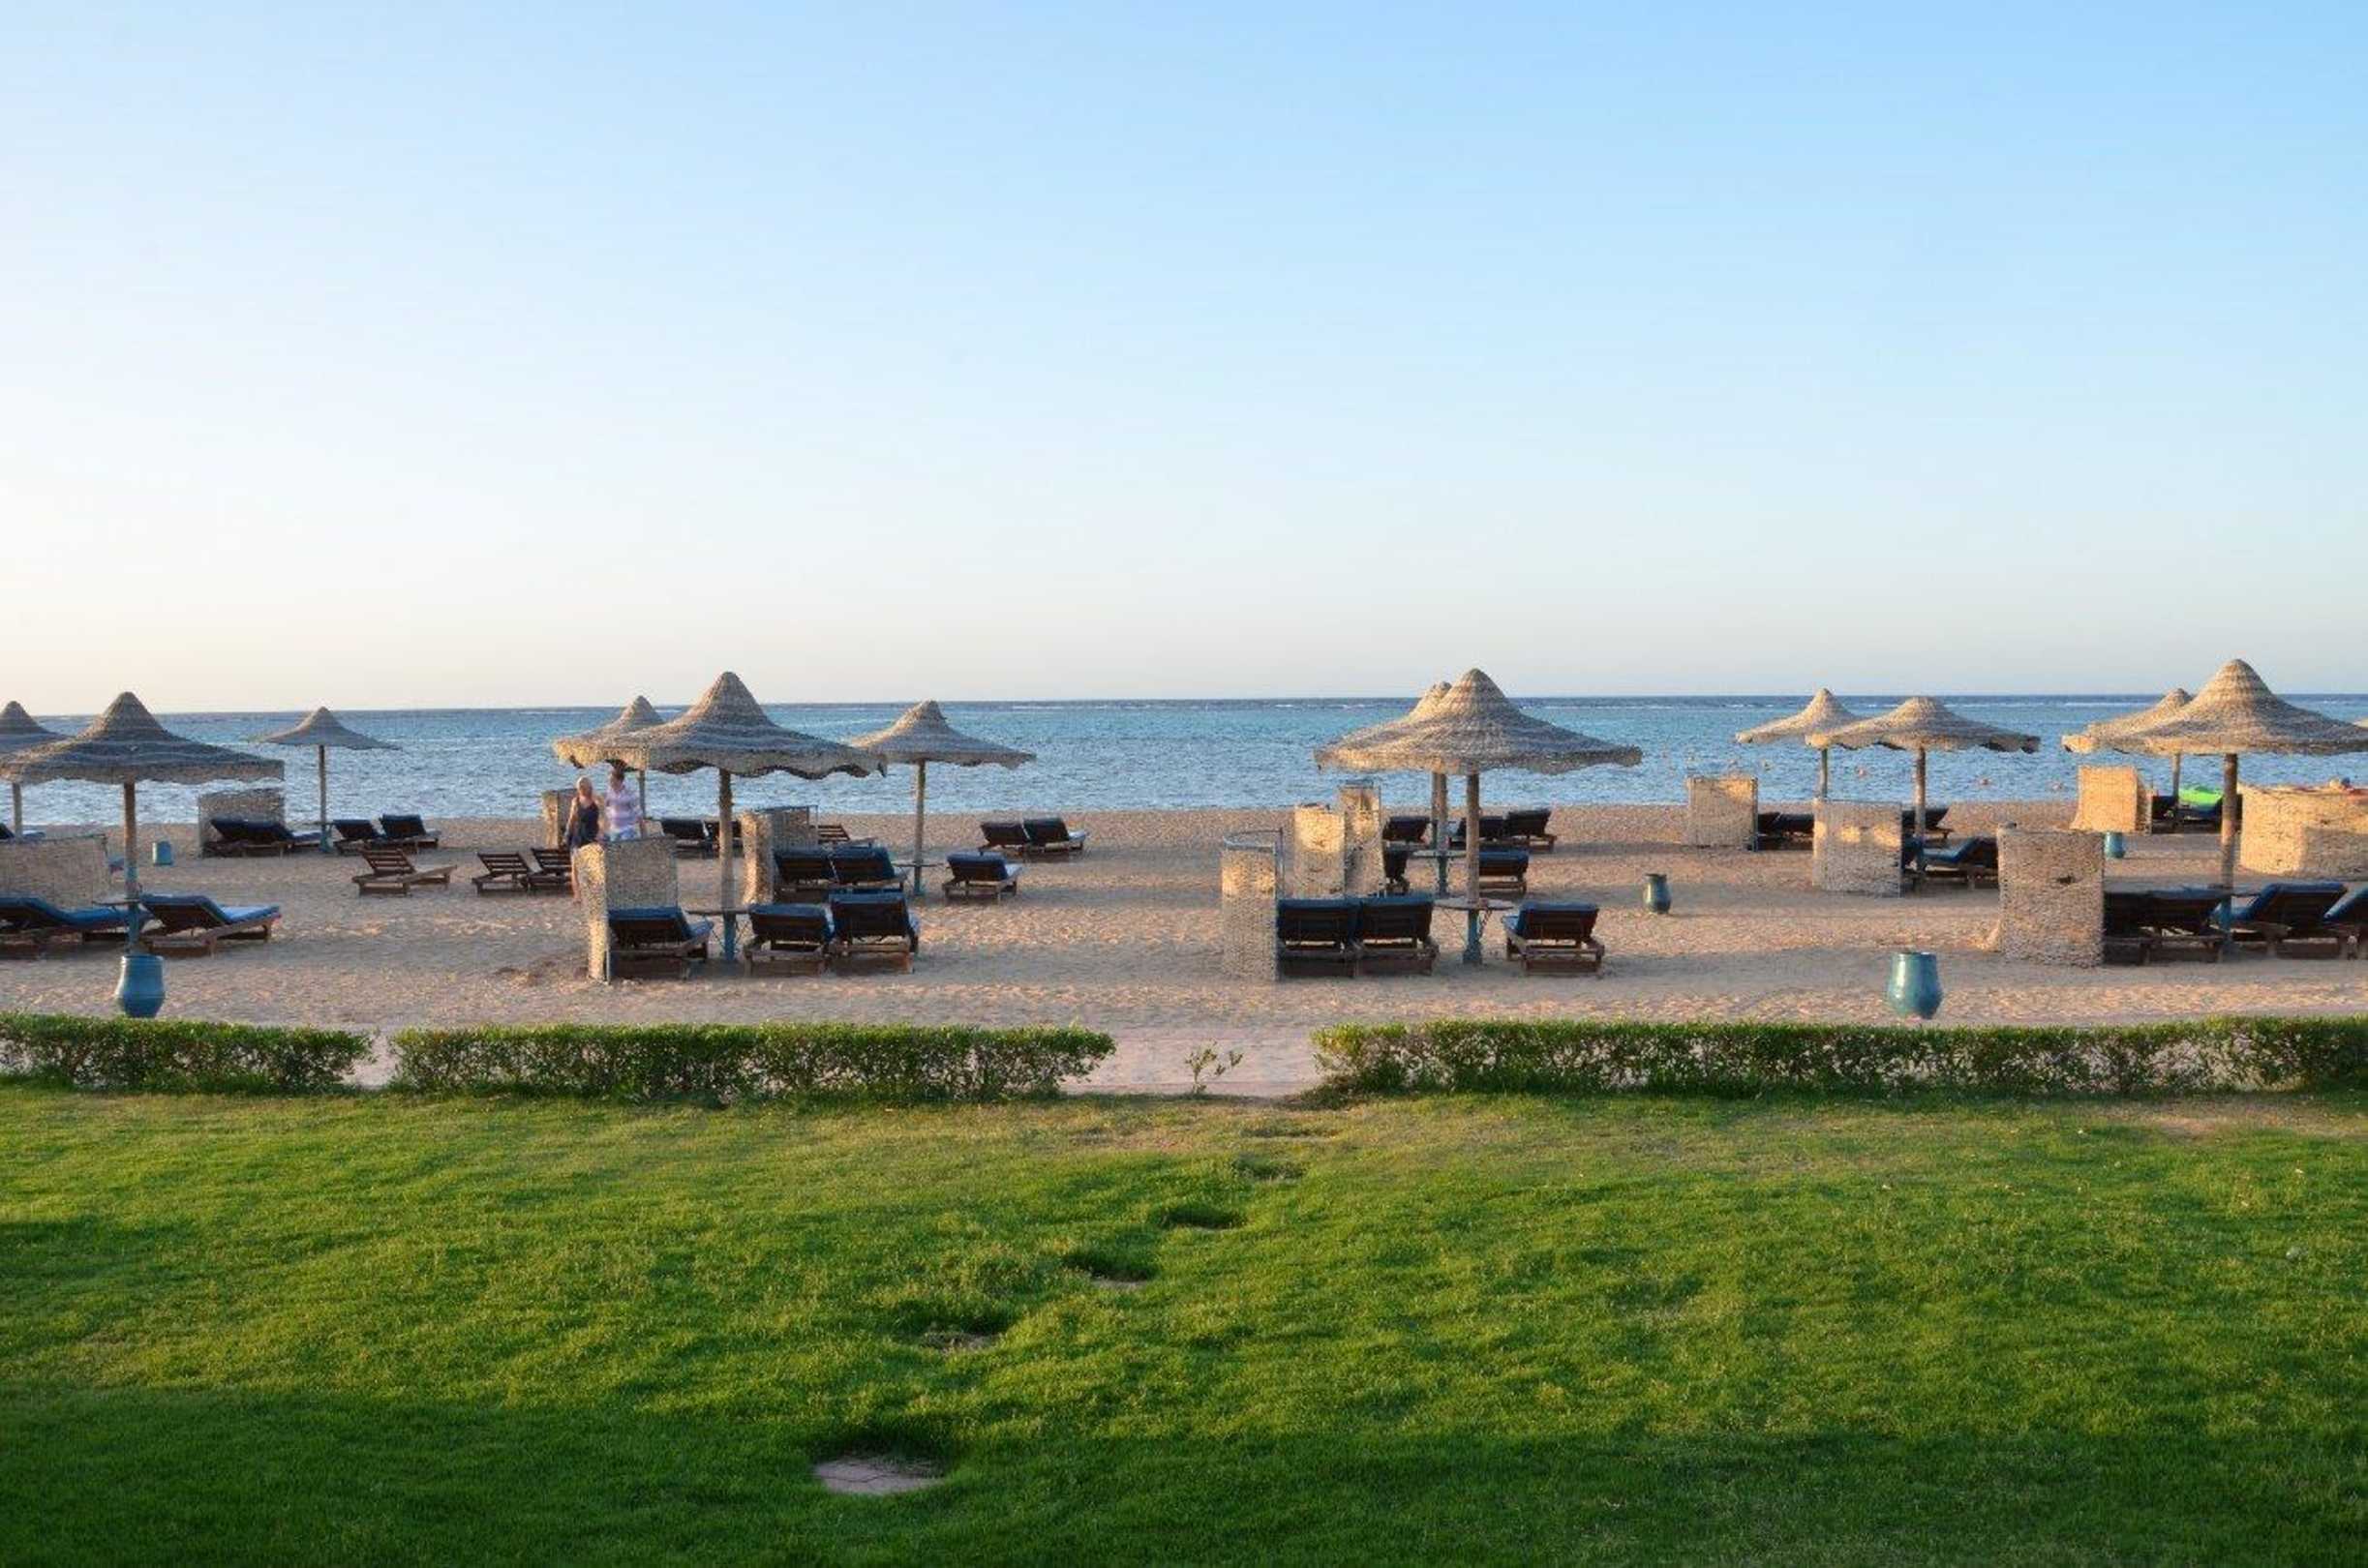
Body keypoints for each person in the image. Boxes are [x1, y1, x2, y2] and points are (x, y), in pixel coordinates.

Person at [603, 760, 643, 842]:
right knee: (613, 846)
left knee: (624, 843)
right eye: (609, 781)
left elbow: (638, 813)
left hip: (627, 828)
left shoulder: (629, 793)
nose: (610, 783)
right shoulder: (609, 792)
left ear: (620, 780)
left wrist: (644, 833)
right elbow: (603, 808)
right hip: (614, 829)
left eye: (612, 780)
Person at [562, 777, 601, 852]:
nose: (582, 789)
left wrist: (601, 834)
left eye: (584, 787)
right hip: (578, 836)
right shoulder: (575, 801)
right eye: (580, 787)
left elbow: (603, 819)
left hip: (592, 836)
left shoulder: (597, 800)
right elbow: (571, 820)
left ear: (589, 787)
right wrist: (567, 835)